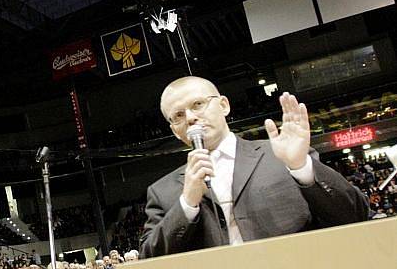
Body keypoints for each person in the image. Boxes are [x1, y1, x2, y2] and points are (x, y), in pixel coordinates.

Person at [140, 77, 370, 258]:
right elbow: (149, 262)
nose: (190, 117)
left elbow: (356, 215)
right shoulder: (163, 192)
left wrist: (301, 168)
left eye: (198, 104)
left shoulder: (282, 154)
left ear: (224, 105)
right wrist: (187, 204)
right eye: (178, 115)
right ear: (174, 130)